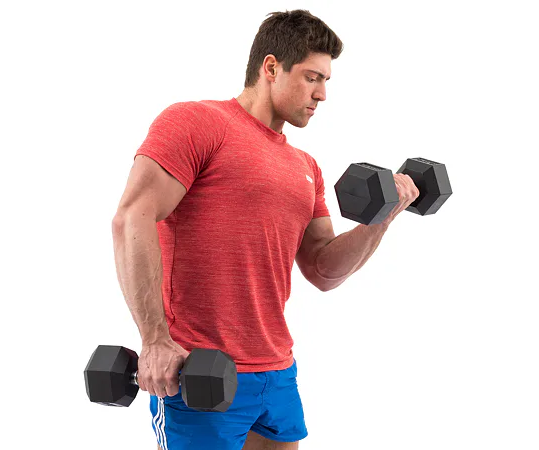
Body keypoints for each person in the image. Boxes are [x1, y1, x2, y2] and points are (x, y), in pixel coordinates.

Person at [111, 9, 419, 450]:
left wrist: (381, 219)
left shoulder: (305, 166)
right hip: (200, 371)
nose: (323, 94)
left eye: (326, 81)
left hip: (277, 371)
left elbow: (324, 270)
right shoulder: (197, 122)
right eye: (313, 78)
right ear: (271, 67)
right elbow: (131, 218)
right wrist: (155, 340)